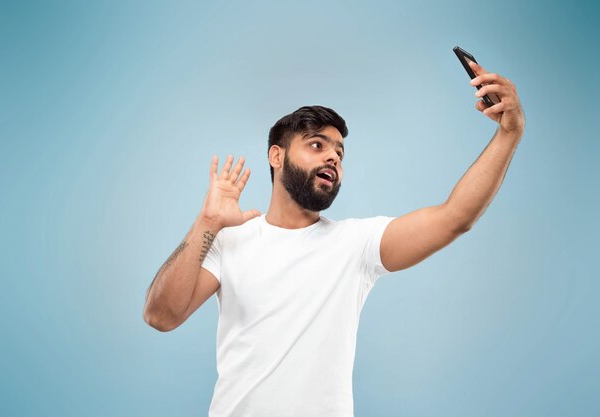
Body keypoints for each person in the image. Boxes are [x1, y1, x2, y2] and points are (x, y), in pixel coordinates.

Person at [143, 60, 525, 417]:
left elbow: (454, 218)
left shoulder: (356, 245)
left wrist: (509, 134)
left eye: (339, 152)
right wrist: (207, 223)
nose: (333, 158)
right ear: (276, 157)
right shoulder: (230, 241)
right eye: (317, 145)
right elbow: (161, 316)